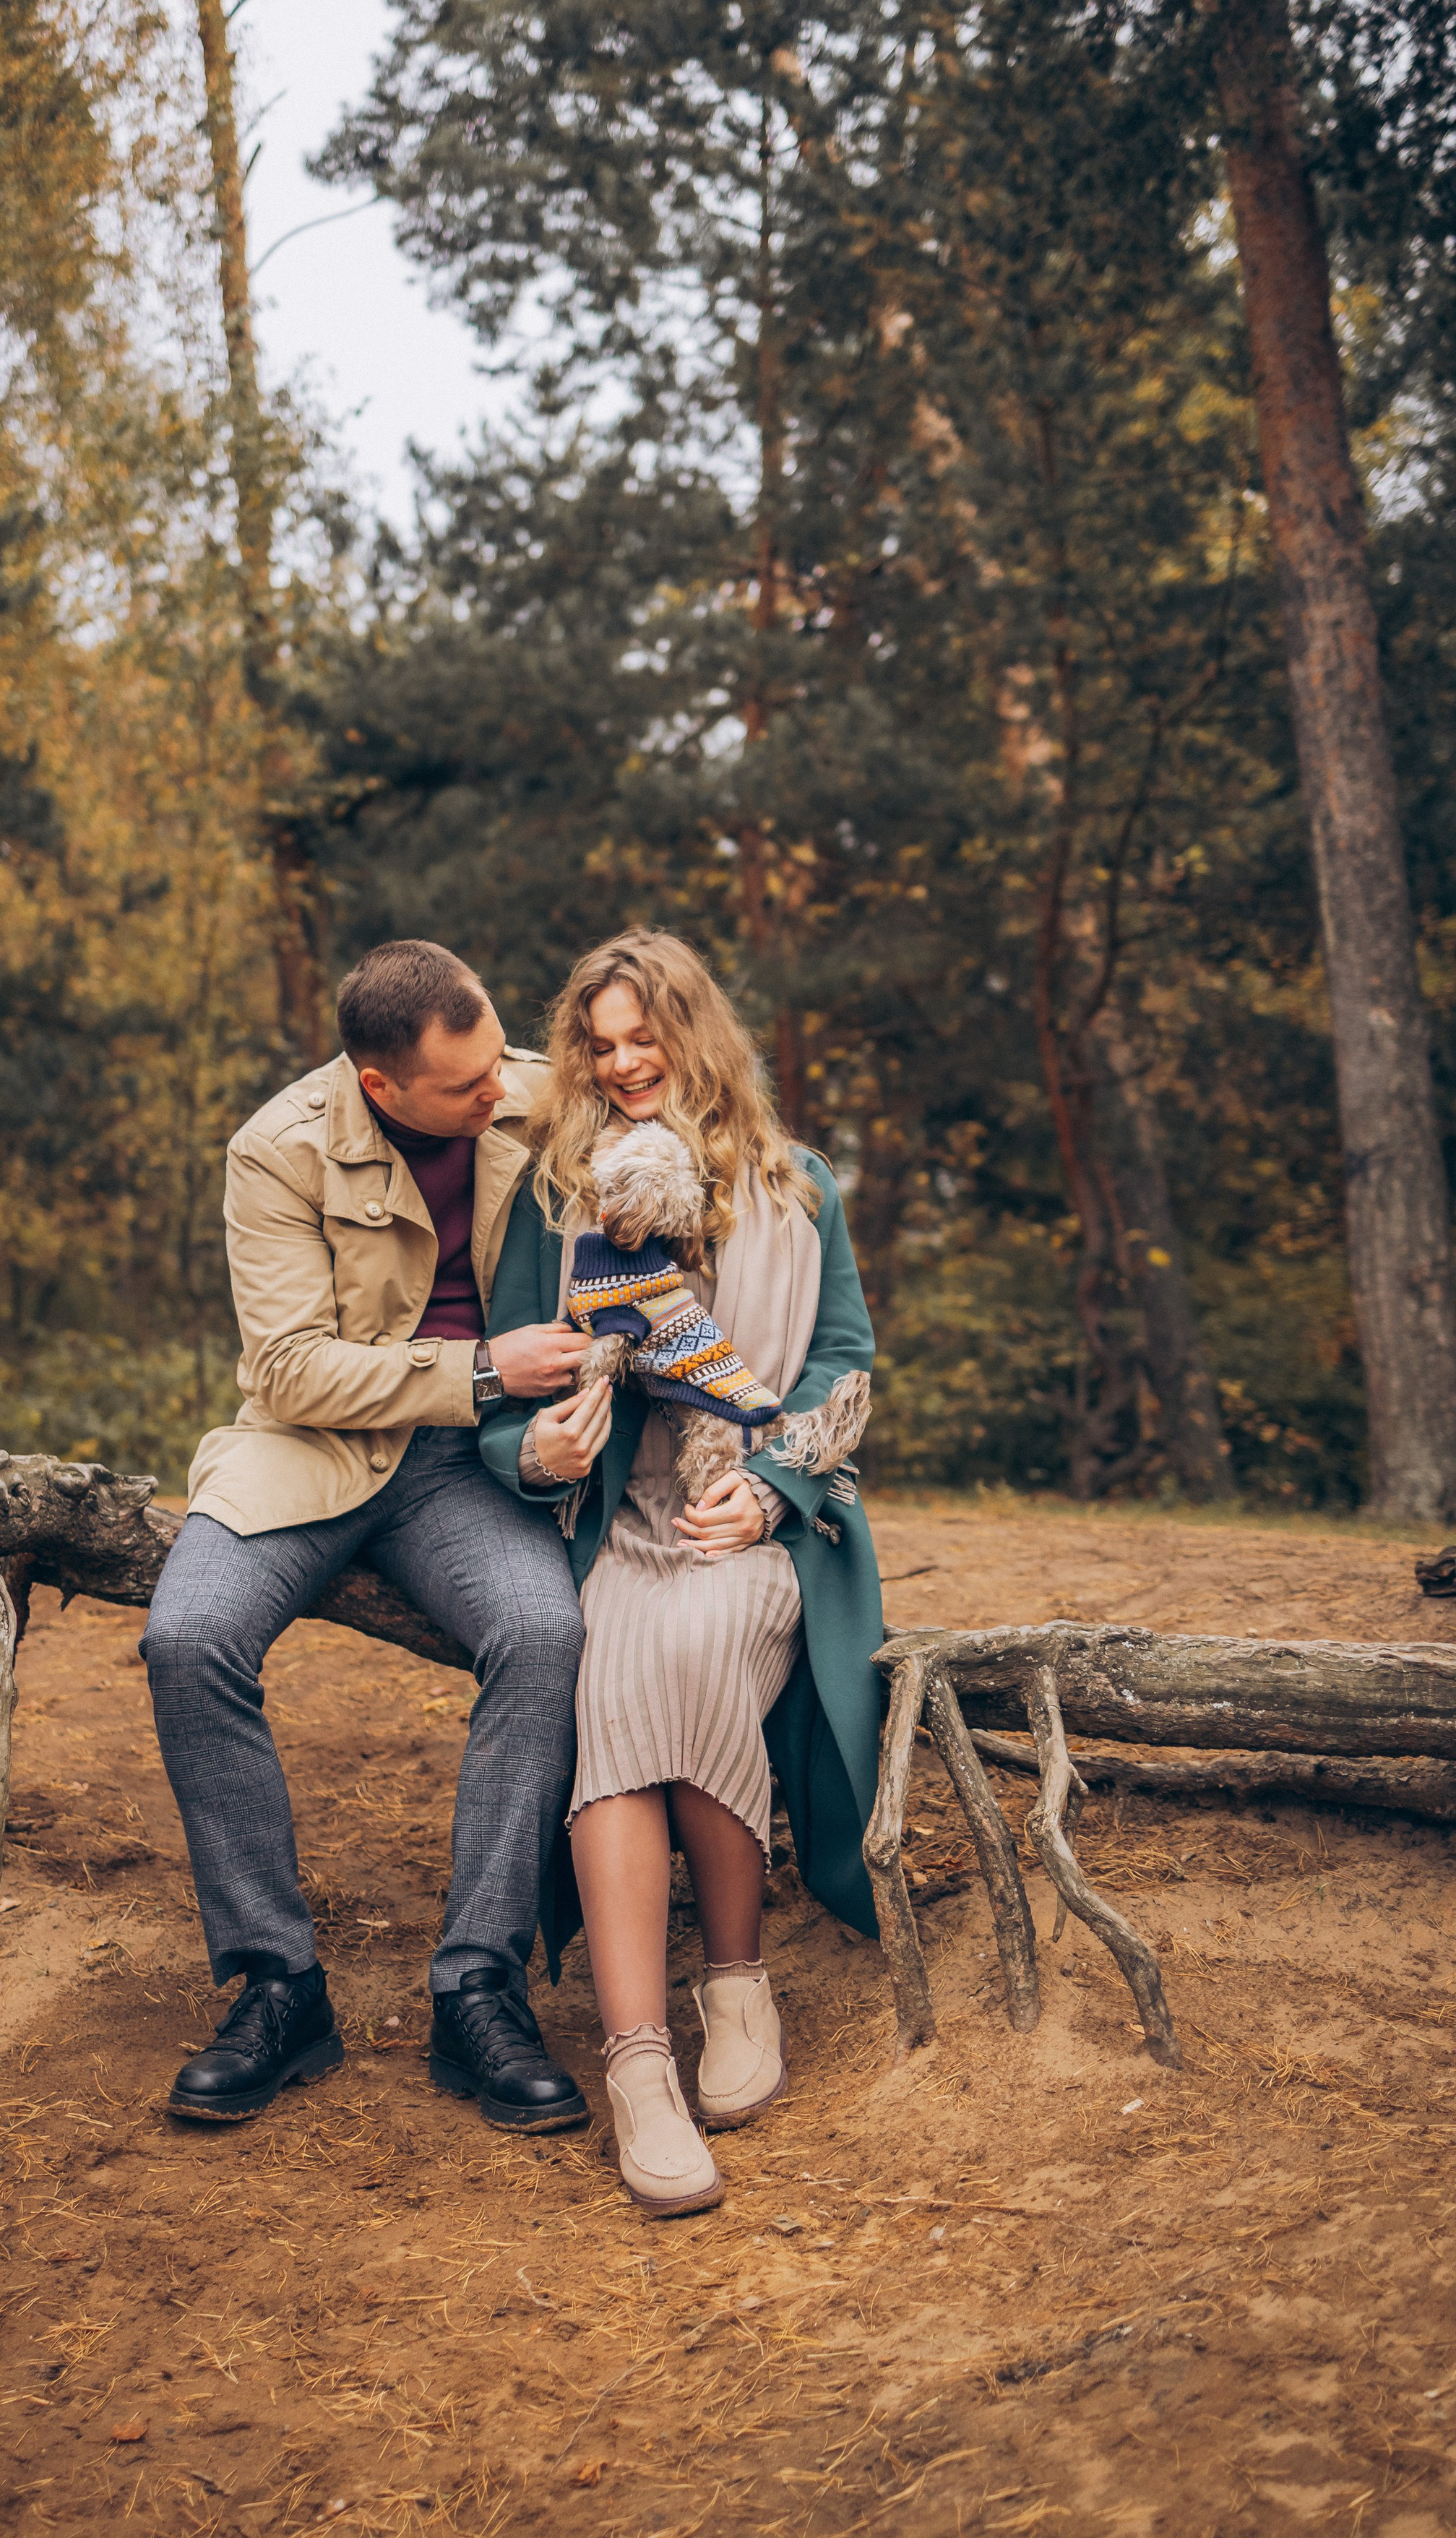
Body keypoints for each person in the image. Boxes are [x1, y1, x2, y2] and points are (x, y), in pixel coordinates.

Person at [143, 940, 593, 2134]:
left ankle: (480, 1987)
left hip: (470, 1465)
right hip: (313, 1451)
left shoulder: (529, 1090)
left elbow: (694, 1128)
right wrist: (485, 1364)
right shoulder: (275, 1149)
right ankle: (276, 1987)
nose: (500, 1092)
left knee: (546, 1634)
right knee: (188, 1639)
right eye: (466, 1085)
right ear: (380, 1086)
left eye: (500, 1059)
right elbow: (286, 1369)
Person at [477, 931, 883, 2218]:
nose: (621, 1061)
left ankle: (738, 1977)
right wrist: (537, 1446)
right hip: (616, 1524)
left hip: (748, 1511)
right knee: (605, 1685)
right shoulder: (563, 1200)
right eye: (597, 1044)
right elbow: (506, 1388)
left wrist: (773, 1488)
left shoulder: (797, 1184)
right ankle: (640, 2065)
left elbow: (843, 1365)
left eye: (642, 1035)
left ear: (695, 1036)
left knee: (705, 1643)